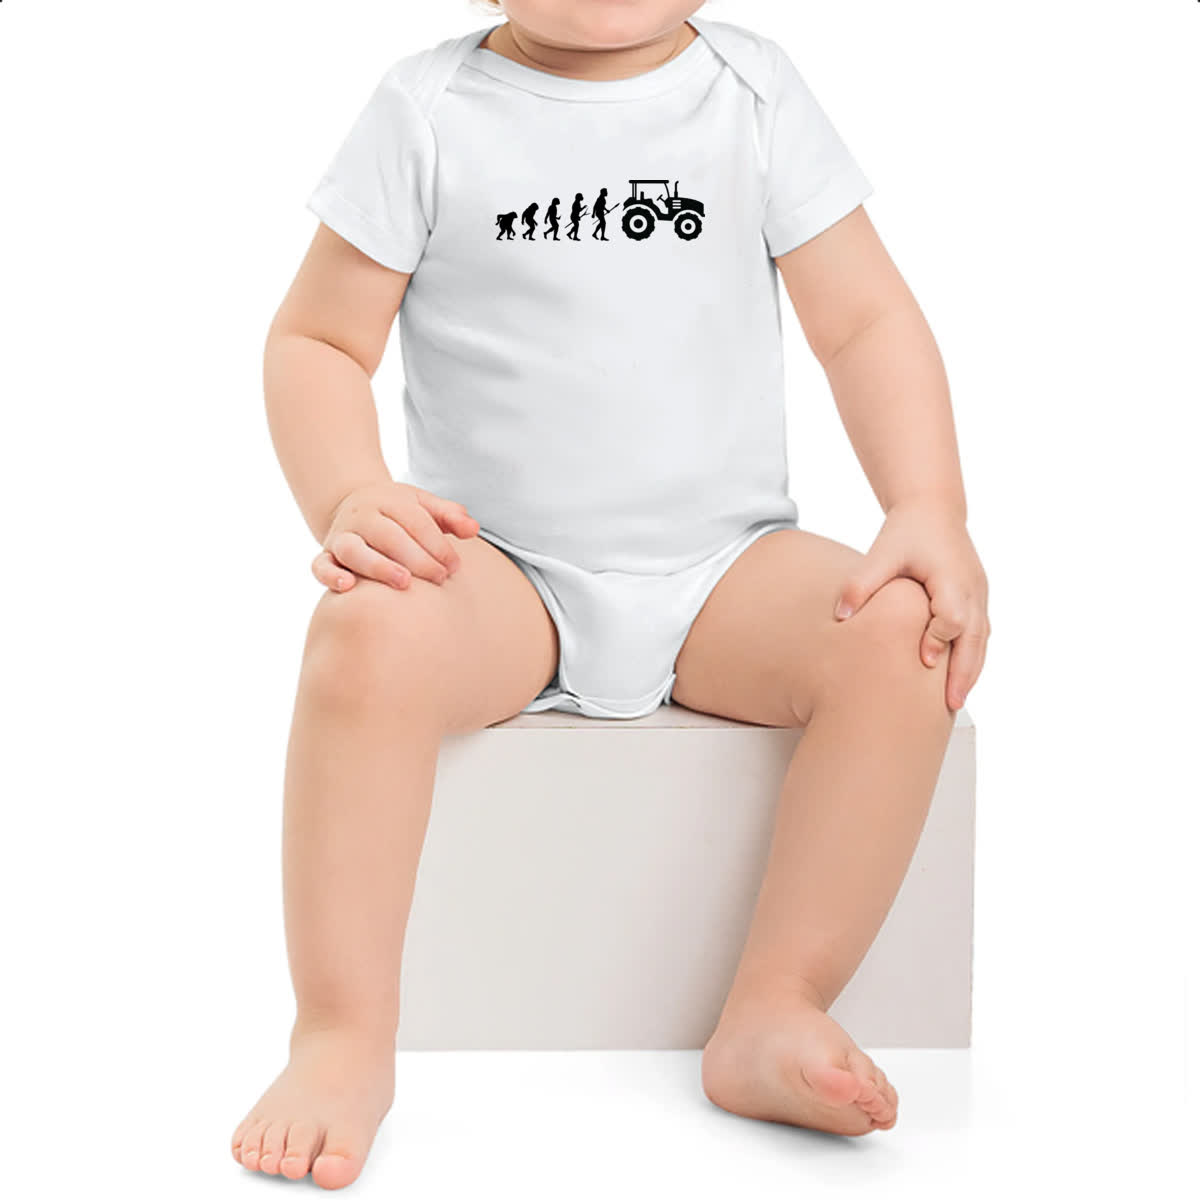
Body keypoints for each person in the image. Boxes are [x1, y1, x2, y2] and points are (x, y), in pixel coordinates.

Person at [232, 2, 991, 1189]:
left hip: (726, 570)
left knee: (905, 633)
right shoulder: (428, 110)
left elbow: (863, 321)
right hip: (501, 576)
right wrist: (349, 493)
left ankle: (777, 1002)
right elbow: (319, 341)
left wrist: (928, 505)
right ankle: (340, 1032)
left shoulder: (752, 94)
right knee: (365, 631)